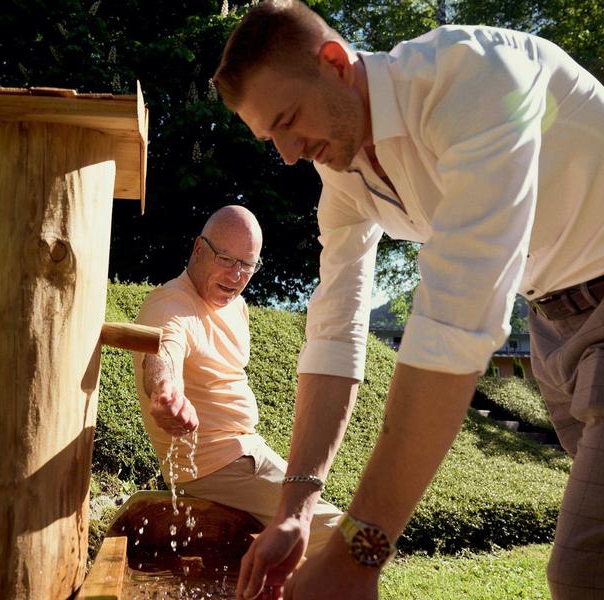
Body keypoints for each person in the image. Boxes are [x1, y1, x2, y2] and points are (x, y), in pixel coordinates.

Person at [213, 2, 604, 599]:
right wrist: (295, 509)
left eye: (289, 119)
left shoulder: (478, 78)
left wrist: (360, 551)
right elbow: (335, 331)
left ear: (336, 63)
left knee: (583, 574)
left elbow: (455, 318)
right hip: (551, 325)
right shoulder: (343, 177)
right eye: (272, 138)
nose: (288, 153)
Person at [132, 205, 342, 564]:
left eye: (248, 265)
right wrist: (167, 391)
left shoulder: (237, 306)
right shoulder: (170, 305)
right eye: (227, 259)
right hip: (216, 464)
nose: (237, 275)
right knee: (345, 537)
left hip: (246, 454)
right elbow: (164, 349)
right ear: (198, 249)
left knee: (309, 531)